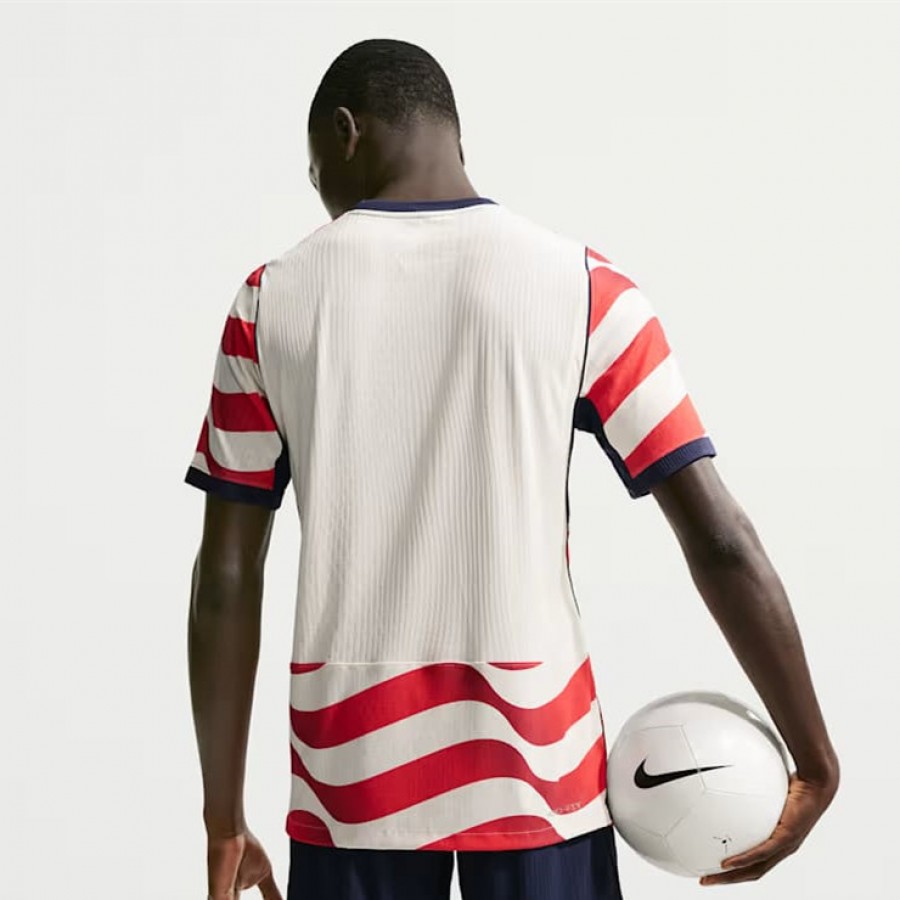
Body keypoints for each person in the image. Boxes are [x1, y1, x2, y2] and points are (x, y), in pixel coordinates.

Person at [185, 38, 839, 900]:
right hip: (540, 772)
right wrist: (814, 757)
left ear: (346, 132)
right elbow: (718, 538)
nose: (323, 198)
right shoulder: (588, 289)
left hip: (351, 778)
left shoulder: (269, 302)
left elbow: (227, 578)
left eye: (315, 174)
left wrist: (224, 819)